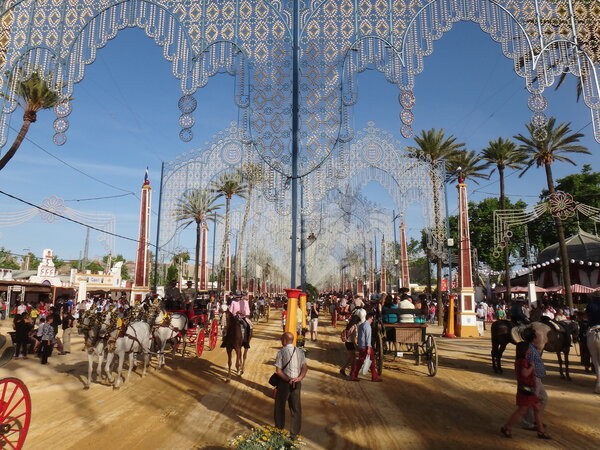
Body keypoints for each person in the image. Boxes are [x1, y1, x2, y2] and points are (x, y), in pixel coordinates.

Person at [500, 339, 550, 439]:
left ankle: (541, 431)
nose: (530, 350)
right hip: (526, 390)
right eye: (528, 349)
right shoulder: (524, 361)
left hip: (527, 389)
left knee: (537, 408)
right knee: (522, 411)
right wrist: (532, 367)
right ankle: (507, 427)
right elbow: (525, 373)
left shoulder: (520, 360)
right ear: (525, 350)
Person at [274, 332, 308, 439]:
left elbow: (278, 371)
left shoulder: (281, 352)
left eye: (281, 339)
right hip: (296, 383)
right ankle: (294, 435)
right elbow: (305, 368)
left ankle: (279, 431)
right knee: (296, 408)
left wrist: (288, 380)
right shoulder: (300, 352)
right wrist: (299, 378)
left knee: (279, 407)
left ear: (284, 340)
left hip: (284, 383)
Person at [521, 326, 549, 433]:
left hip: (538, 378)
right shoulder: (530, 350)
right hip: (533, 378)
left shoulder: (533, 348)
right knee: (532, 400)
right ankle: (528, 422)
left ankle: (536, 420)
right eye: (537, 337)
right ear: (533, 338)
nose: (539, 338)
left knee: (543, 398)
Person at [348, 311, 382, 382]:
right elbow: (368, 338)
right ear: (371, 318)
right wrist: (369, 348)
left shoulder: (361, 325)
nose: (373, 320)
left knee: (365, 361)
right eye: (373, 318)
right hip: (366, 346)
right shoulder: (368, 326)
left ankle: (373, 376)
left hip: (361, 345)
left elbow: (360, 336)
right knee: (367, 362)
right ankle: (354, 375)